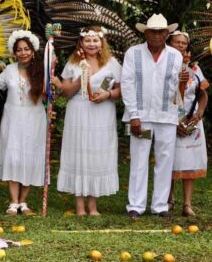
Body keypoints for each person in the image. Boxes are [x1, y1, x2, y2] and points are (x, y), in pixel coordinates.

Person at [52, 26, 122, 216]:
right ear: (81, 43)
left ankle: (93, 206)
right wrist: (81, 79)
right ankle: (80, 206)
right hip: (79, 112)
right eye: (88, 40)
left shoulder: (112, 63)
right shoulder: (74, 63)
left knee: (96, 156)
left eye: (95, 40)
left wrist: (107, 94)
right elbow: (64, 92)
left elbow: (120, 89)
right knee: (79, 155)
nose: (92, 44)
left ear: (102, 43)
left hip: (102, 113)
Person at [121, 14, 183, 219]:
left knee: (165, 160)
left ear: (167, 34)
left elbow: (177, 89)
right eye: (152, 32)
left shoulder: (176, 55)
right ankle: (136, 206)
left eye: (160, 32)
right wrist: (134, 115)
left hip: (167, 116)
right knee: (139, 158)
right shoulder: (133, 53)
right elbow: (127, 84)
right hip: (142, 117)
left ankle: (160, 205)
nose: (156, 36)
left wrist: (181, 116)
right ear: (145, 33)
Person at [0, 30, 46, 215]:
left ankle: (24, 202)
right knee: (14, 157)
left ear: (33, 51)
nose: (23, 53)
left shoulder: (42, 69)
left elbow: (49, 94)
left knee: (30, 157)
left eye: (27, 49)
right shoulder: (9, 70)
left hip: (34, 118)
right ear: (14, 52)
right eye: (19, 50)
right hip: (13, 118)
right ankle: (13, 202)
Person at [167, 31, 208, 217]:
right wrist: (173, 120)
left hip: (192, 119)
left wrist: (199, 113)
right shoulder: (164, 65)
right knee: (169, 160)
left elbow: (203, 93)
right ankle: (168, 199)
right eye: (177, 42)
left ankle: (187, 204)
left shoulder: (195, 68)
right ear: (170, 43)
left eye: (184, 43)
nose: (181, 45)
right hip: (169, 118)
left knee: (190, 161)